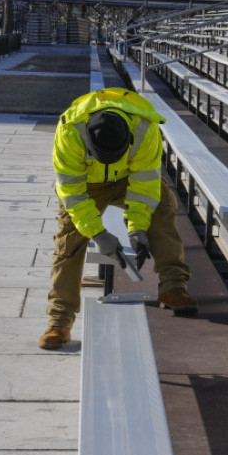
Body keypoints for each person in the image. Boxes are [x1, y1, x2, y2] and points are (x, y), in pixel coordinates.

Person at [40, 87, 197, 349]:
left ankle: (174, 286)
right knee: (69, 241)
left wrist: (137, 229)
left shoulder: (145, 130)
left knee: (163, 204)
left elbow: (145, 185)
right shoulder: (69, 131)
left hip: (127, 178)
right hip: (87, 184)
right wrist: (98, 234)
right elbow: (71, 191)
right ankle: (60, 319)